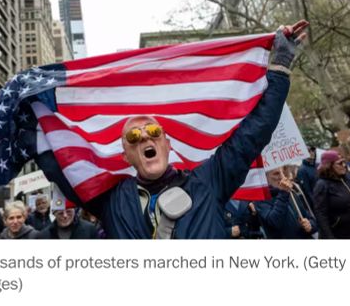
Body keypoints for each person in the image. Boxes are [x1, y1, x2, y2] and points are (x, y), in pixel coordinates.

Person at [87, 21, 308, 239]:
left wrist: (281, 64)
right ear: (126, 156)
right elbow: (66, 165)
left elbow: (252, 134)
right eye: (133, 136)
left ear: (167, 145)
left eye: (154, 131)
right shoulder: (111, 202)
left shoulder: (208, 182)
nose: (144, 136)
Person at [255, 168, 317, 239]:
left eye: (283, 172)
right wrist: (283, 193)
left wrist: (310, 225)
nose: (282, 177)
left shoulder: (290, 192)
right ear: (265, 178)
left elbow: (309, 218)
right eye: (276, 174)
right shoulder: (260, 200)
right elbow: (275, 222)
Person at [313, 151, 350, 238]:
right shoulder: (322, 185)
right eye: (340, 163)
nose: (344, 165)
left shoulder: (348, 178)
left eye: (344, 162)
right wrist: (330, 237)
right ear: (329, 166)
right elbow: (321, 215)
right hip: (342, 235)